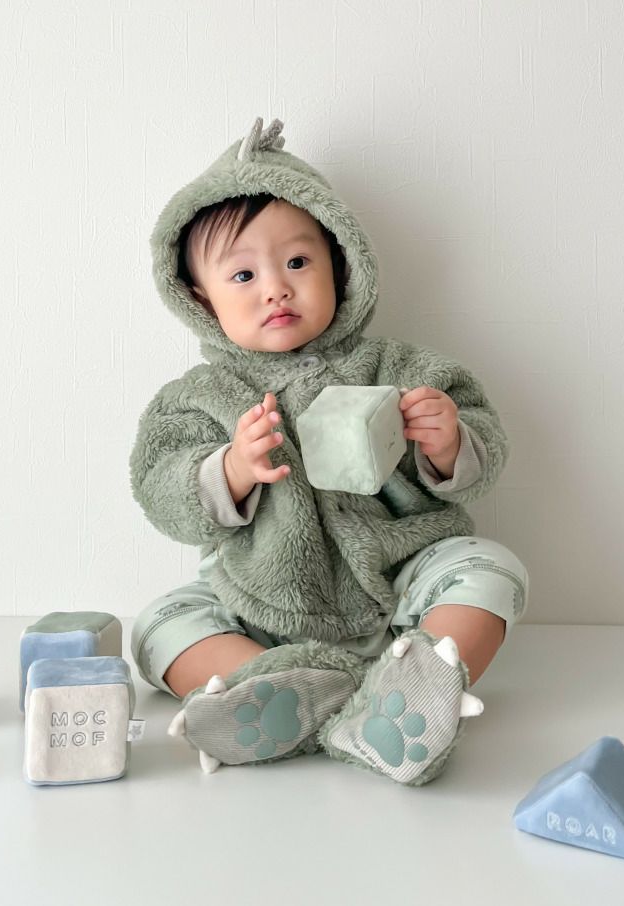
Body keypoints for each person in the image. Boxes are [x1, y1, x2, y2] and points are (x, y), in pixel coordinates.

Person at [129, 117, 529, 785]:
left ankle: (418, 681)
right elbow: (160, 488)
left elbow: (483, 444)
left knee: (492, 568)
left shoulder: (396, 367)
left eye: (297, 263)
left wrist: (448, 439)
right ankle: (286, 688)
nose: (276, 288)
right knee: (158, 626)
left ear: (341, 267)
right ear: (200, 298)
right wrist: (231, 470)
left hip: (399, 594)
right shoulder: (200, 398)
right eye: (243, 274)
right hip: (260, 606)